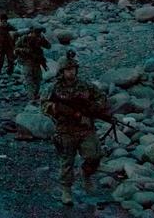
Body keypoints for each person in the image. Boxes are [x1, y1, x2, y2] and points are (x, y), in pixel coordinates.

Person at [42, 50, 109, 205]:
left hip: (85, 128)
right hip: (65, 129)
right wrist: (57, 109)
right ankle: (66, 190)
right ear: (62, 71)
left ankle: (86, 174)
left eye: (73, 69)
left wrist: (93, 108)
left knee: (95, 155)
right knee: (66, 162)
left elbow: (102, 98)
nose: (71, 72)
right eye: (67, 70)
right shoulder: (54, 88)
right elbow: (43, 104)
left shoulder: (85, 86)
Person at [15, 26, 51, 101]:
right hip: (27, 62)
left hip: (37, 63)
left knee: (38, 80)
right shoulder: (24, 39)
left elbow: (48, 46)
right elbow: (16, 49)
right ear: (31, 33)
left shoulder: (39, 39)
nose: (37, 35)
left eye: (38, 34)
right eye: (36, 33)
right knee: (29, 80)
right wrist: (25, 50)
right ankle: (31, 98)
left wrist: (42, 39)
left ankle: (35, 95)